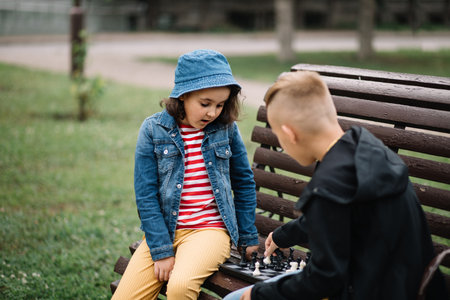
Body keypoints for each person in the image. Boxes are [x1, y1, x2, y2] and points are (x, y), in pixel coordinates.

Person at [224, 71, 448, 300]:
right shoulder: (365, 149)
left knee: (235, 299)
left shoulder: (329, 187)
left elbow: (324, 280)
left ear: (290, 134)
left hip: (364, 289)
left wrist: (257, 294)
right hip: (401, 286)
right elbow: (337, 218)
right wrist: (284, 235)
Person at [112, 49, 259, 300]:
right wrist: (161, 250)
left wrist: (247, 236)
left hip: (209, 232)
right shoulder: (153, 129)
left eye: (220, 105)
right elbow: (146, 194)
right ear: (183, 96)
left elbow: (244, 183)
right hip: (165, 231)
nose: (213, 113)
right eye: (205, 104)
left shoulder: (226, 130)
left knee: (180, 287)